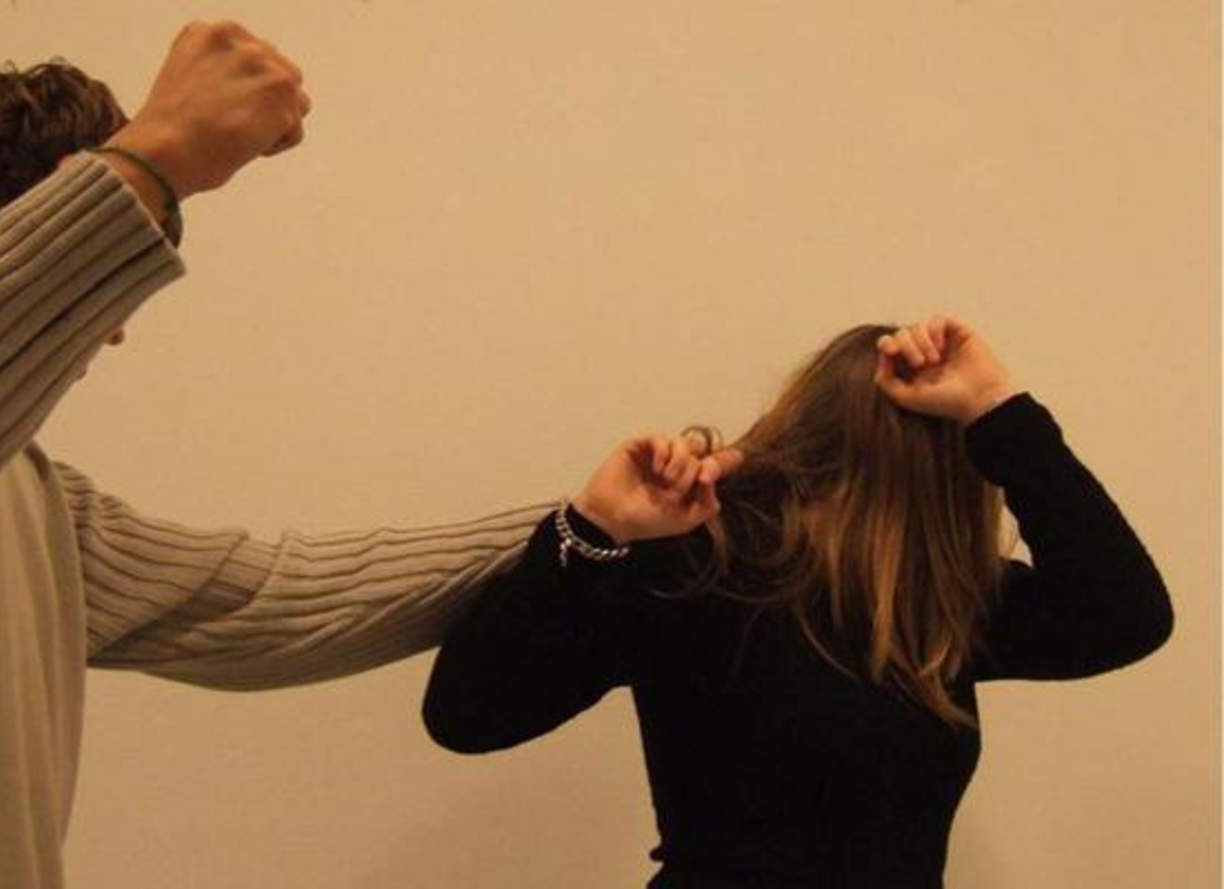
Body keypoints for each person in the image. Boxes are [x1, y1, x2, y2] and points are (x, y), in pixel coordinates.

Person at [0, 21, 549, 889]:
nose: (111, 331)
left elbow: (265, 597)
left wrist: (574, 529)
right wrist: (152, 163)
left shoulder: (21, 491)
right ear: (61, 204)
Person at [422, 316, 1172, 889]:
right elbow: (470, 712)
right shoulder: (704, 568)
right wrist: (591, 530)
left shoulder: (933, 602)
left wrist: (997, 409)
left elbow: (1124, 614)